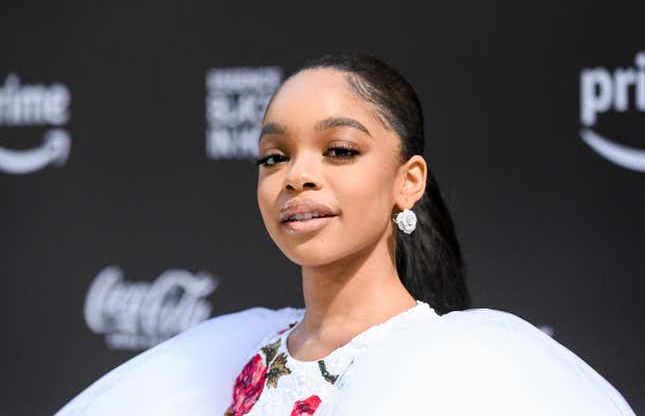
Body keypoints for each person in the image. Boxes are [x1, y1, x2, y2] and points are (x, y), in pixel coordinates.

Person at [54, 53, 636, 416]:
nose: (297, 176)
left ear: (408, 181)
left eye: (339, 151)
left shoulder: (469, 371)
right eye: (273, 156)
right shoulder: (219, 362)